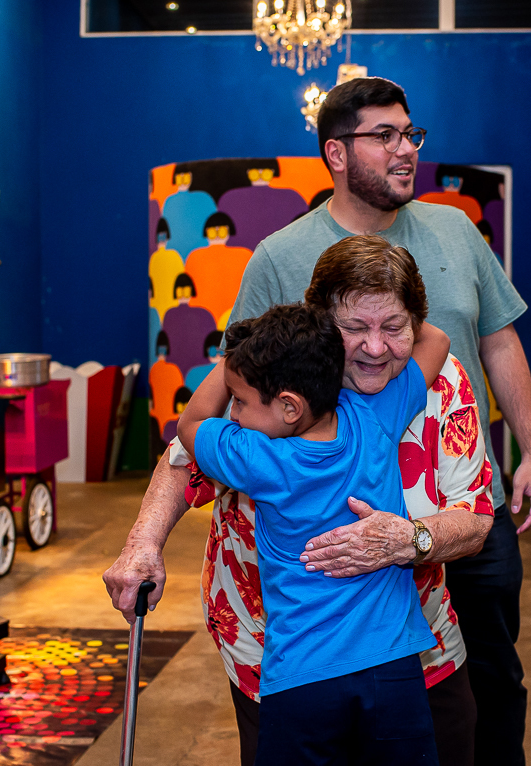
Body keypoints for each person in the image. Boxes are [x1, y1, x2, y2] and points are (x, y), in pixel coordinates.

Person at [227, 77, 531, 765]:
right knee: (378, 697)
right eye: (385, 136)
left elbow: (497, 340)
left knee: (490, 678)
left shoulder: (455, 229)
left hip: (464, 499)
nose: (407, 150)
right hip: (338, 526)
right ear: (337, 153)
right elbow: (235, 388)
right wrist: (148, 535)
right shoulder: (280, 256)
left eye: (411, 134)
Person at [106, 234, 496, 766]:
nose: (375, 347)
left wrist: (410, 539)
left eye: (394, 326)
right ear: (323, 326)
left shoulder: (265, 435)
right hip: (319, 651)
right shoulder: (321, 400)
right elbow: (182, 462)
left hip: (342, 662)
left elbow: (475, 520)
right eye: (354, 327)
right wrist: (143, 543)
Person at [178, 299, 449, 764]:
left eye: (240, 400)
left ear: (289, 407)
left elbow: (192, 423)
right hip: (393, 668)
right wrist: (322, 345)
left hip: (302, 678)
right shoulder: (375, 414)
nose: (235, 414)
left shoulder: (260, 459)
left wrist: (233, 359)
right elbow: (436, 339)